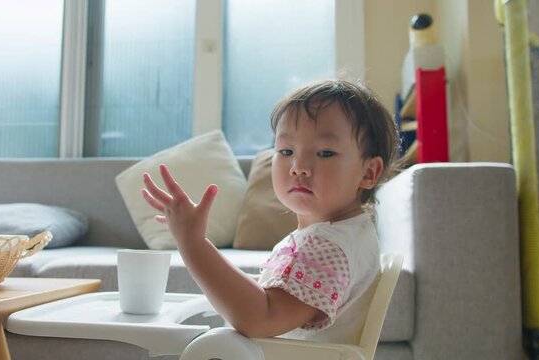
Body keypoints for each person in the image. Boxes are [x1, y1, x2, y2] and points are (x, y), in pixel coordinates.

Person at [141, 79, 400, 342]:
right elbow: (278, 294)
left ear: (368, 172)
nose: (299, 166)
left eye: (324, 153)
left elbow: (260, 319)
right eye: (286, 150)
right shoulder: (346, 234)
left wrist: (193, 243)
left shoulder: (328, 246)